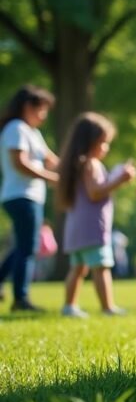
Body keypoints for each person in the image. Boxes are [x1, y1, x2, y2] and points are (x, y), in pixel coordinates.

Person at [56, 113, 136, 318]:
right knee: (101, 267)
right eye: (103, 142)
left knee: (78, 268)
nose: (106, 148)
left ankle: (69, 306)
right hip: (92, 228)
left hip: (77, 228)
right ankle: (107, 307)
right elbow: (95, 193)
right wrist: (120, 179)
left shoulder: (76, 164)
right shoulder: (91, 163)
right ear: (89, 142)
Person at [0, 85, 57, 311]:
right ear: (27, 107)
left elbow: (51, 159)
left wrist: (76, 167)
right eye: (41, 109)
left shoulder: (33, 132)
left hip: (30, 196)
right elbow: (20, 162)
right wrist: (51, 177)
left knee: (24, 246)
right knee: (28, 247)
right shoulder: (16, 128)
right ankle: (20, 298)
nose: (43, 116)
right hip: (20, 195)